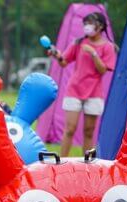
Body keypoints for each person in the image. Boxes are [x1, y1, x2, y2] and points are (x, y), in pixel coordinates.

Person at [47, 12, 117, 156]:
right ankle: (62, 161)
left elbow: (103, 70)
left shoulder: (108, 47)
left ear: (101, 26)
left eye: (90, 23)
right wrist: (56, 55)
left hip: (94, 93)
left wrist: (94, 53)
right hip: (74, 91)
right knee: (70, 129)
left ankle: (88, 163)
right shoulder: (79, 42)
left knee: (89, 131)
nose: (87, 26)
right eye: (85, 23)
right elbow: (64, 62)